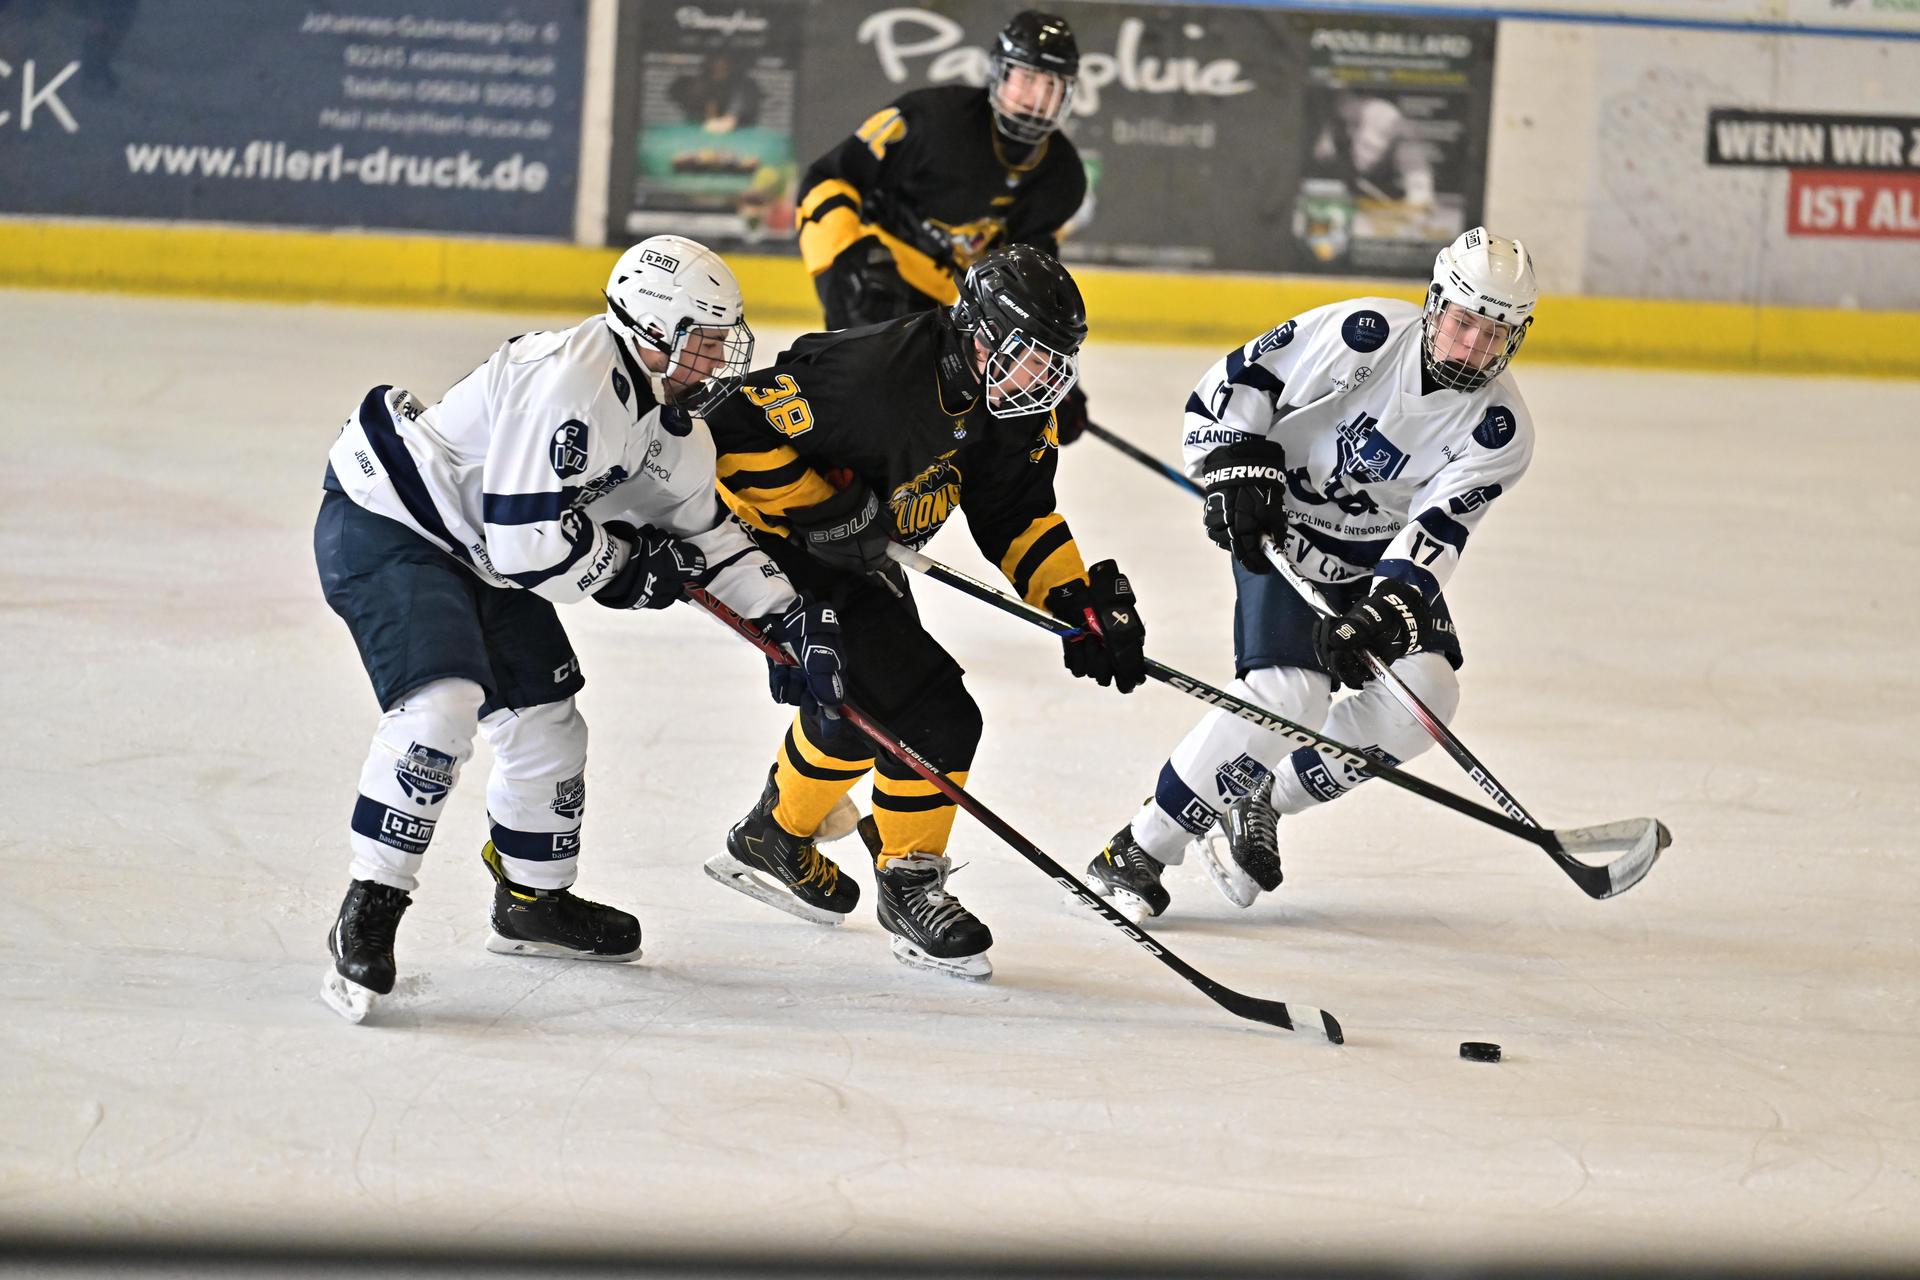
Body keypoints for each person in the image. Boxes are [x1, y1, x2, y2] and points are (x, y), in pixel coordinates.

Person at [313, 235, 847, 1022]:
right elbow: (527, 545)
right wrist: (630, 571)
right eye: (702, 342)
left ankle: (532, 904)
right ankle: (370, 907)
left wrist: (791, 619)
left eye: (721, 342)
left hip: (482, 555)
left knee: (549, 728)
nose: (716, 362)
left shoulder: (671, 426)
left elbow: (708, 537)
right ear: (649, 329)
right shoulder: (572, 381)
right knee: (441, 707)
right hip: (396, 525)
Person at [701, 243, 1146, 980]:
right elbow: (730, 427)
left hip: (853, 556)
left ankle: (773, 835)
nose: (1043, 379)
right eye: (1030, 357)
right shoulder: (874, 375)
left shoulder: (1013, 406)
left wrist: (1073, 601)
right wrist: (826, 508)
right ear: (980, 336)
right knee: (934, 715)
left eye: (1055, 361)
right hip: (774, 548)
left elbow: (1016, 515)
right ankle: (910, 885)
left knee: (859, 705)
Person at [1085, 227, 1538, 922]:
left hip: (1375, 557)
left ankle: (1261, 797)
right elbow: (1242, 380)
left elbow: (1439, 529)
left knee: (1426, 699)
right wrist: (1233, 463)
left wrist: (1386, 609)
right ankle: (1140, 847)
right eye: (1462, 322)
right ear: (1434, 302)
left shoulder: (1500, 429)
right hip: (1285, 525)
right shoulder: (1364, 335)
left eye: (1494, 334)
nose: (1472, 346)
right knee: (1290, 693)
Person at [792, 10, 1100, 442]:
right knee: (869, 399)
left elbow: (1030, 280)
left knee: (951, 423)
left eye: (1051, 85)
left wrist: (1048, 370)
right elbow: (827, 180)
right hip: (873, 268)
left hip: (949, 299)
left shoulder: (1063, 176)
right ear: (999, 74)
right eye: (1027, 78)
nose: (1036, 96)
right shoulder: (930, 119)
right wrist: (845, 258)